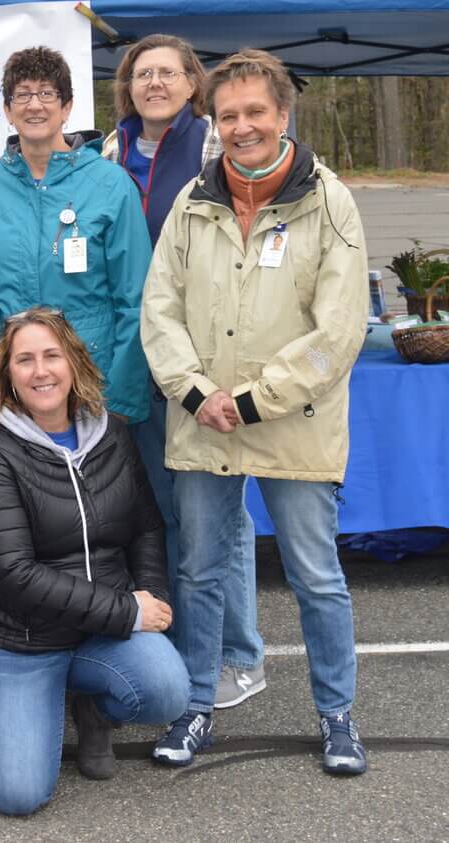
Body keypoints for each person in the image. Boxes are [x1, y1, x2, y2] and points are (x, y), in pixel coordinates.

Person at [142, 49, 369, 775]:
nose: (242, 128)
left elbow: (338, 329)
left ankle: (337, 714)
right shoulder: (192, 202)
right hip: (201, 421)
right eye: (229, 115)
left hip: (291, 425)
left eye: (255, 114)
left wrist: (249, 399)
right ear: (214, 119)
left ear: (283, 115)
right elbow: (159, 308)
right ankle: (197, 705)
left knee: (315, 575)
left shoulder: (328, 200)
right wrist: (193, 390)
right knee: (202, 570)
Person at [0, 307, 188, 816]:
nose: (41, 371)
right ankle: (45, 698)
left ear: (74, 363)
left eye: (51, 356)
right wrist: (128, 612)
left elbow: (146, 528)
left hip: (99, 634)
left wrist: (152, 599)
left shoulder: (113, 436)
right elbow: (11, 572)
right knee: (17, 797)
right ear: (7, 375)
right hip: (21, 640)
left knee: (168, 691)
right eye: (25, 360)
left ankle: (92, 704)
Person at [102, 34, 266, 709]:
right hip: (138, 358)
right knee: (166, 511)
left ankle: (239, 652)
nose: (156, 84)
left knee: (217, 515)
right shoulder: (108, 153)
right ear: (128, 86)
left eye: (169, 72)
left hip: (202, 360)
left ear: (192, 83)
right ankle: (187, 638)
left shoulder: (213, 147)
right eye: (144, 74)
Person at [0, 46, 152, 424]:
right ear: (7, 109)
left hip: (92, 386)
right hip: (11, 386)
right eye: (23, 94)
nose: (35, 105)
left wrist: (120, 401)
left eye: (47, 93)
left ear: (67, 108)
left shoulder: (110, 184)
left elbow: (137, 300)